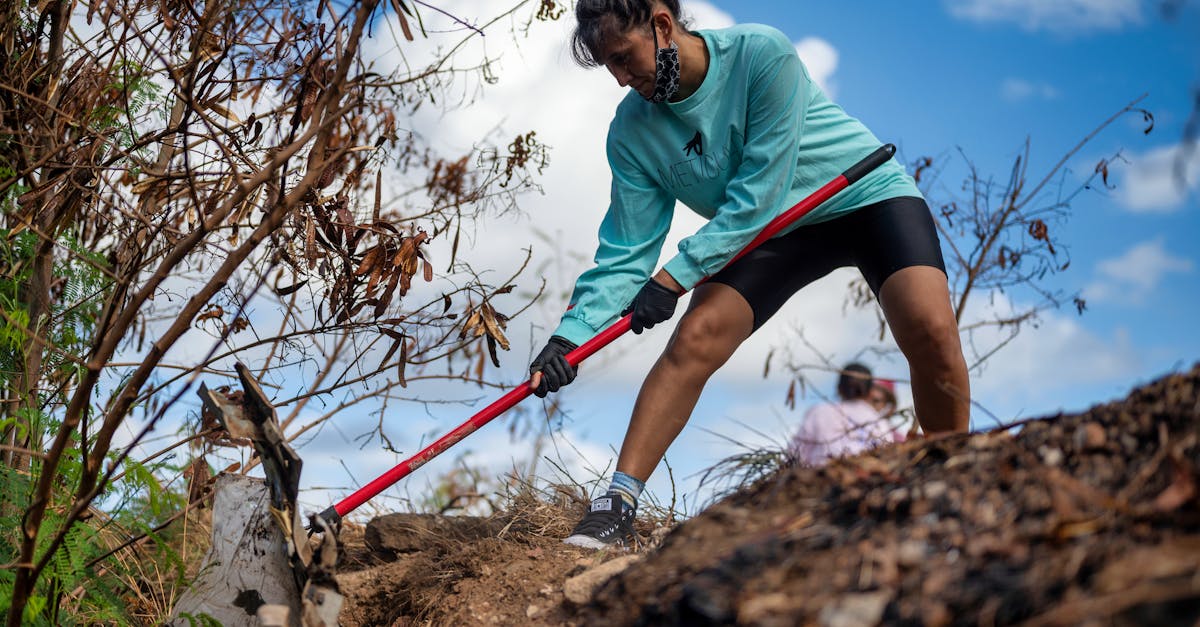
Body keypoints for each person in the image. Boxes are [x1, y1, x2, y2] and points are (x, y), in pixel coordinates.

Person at [527, 0, 970, 549]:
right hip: (772, 232)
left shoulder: (761, 53)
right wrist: (571, 337)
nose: (620, 79)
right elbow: (625, 249)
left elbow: (761, 192)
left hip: (860, 195)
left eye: (623, 57)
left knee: (930, 330)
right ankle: (616, 505)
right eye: (608, 67)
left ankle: (955, 478)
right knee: (695, 337)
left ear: (662, 24)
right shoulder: (631, 134)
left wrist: (672, 280)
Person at [787, 364, 898, 466]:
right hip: (868, 481)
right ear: (869, 392)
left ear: (839, 388)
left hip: (821, 479)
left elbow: (795, 455)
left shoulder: (819, 412)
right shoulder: (880, 423)